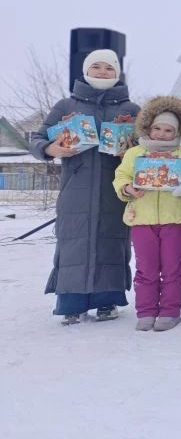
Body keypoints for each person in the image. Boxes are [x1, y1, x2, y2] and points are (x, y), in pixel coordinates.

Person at [29, 49, 140, 325]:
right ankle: (71, 303)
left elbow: (146, 148)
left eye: (109, 68)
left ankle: (107, 301)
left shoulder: (131, 110)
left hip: (114, 191)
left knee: (112, 241)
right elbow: (37, 139)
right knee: (73, 242)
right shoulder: (66, 106)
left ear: (117, 73)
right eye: (96, 66)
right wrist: (51, 148)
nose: (102, 72)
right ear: (86, 70)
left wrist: (131, 152)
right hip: (75, 190)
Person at [113, 96, 181, 331]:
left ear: (177, 132)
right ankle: (146, 312)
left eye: (168, 130)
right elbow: (121, 176)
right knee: (146, 268)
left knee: (172, 267)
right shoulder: (134, 153)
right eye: (157, 128)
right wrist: (127, 188)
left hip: (174, 219)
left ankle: (170, 312)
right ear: (148, 128)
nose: (162, 134)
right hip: (142, 219)